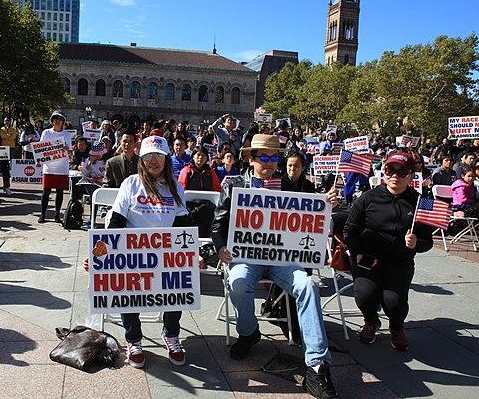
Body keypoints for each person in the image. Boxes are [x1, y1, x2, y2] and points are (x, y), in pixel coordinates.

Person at [211, 134, 339, 399]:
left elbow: (313, 221)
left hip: (284, 260)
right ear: (250, 158)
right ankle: (248, 333)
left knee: (308, 286)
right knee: (237, 281)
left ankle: (317, 365)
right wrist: (221, 247)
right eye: (263, 157)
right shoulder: (234, 184)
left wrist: (325, 207)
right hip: (247, 256)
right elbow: (218, 224)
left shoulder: (291, 186)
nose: (269, 163)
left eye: (273, 157)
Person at [83, 135, 190, 368]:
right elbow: (116, 223)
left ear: (166, 159)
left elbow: (183, 226)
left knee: (180, 282)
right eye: (148, 157)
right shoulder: (131, 183)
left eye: (158, 157)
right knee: (126, 289)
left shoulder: (176, 188)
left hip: (165, 253)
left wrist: (193, 255)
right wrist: (98, 256)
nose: (153, 162)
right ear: (141, 159)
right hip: (132, 253)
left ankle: (171, 335)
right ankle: (133, 339)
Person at [344, 151, 434, 352]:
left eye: (402, 172)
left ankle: (396, 326)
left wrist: (416, 243)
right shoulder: (368, 197)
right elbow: (350, 230)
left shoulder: (421, 203)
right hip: (368, 259)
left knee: (393, 302)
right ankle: (371, 321)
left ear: (411, 176)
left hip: (399, 260)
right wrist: (357, 253)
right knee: (364, 296)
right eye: (390, 169)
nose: (395, 175)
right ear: (383, 171)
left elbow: (428, 241)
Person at [39, 111, 72, 223]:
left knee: (60, 192)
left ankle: (57, 215)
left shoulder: (67, 135)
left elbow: (69, 150)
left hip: (62, 167)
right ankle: (43, 215)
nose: (57, 121)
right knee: (46, 191)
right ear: (52, 121)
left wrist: (67, 149)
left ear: (63, 121)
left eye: (59, 119)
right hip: (49, 167)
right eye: (55, 119)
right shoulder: (46, 132)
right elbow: (41, 149)